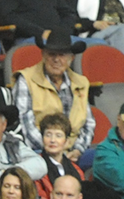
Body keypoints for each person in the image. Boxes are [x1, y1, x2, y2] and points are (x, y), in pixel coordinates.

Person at [13, 30, 96, 159]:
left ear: (71, 58)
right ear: (43, 55)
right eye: (52, 54)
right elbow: (25, 125)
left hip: (73, 152)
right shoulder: (26, 79)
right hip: (39, 152)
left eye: (62, 55)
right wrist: (55, 151)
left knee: (103, 155)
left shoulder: (81, 82)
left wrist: (78, 150)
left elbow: (88, 124)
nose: (56, 59)